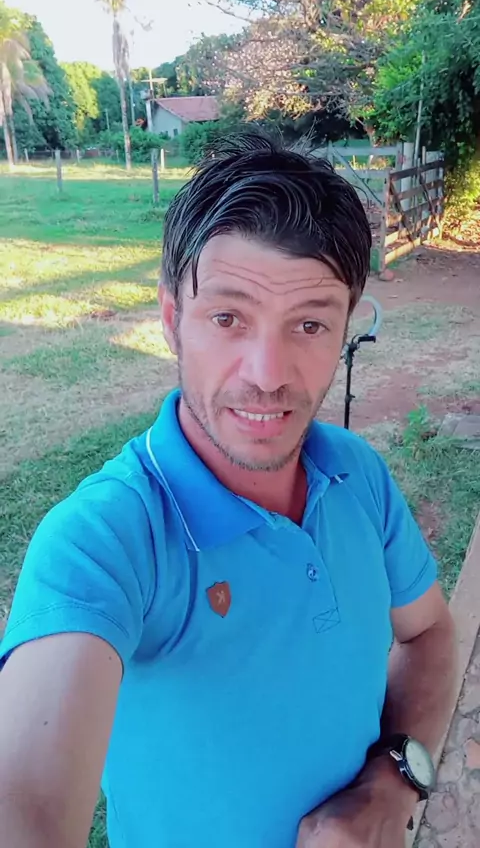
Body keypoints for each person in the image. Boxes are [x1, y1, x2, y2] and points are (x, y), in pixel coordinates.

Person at [0, 131, 456, 848]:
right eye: (227, 318)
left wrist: (390, 785)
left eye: (309, 324)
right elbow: (25, 802)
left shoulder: (356, 473)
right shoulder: (102, 539)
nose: (268, 373)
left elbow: (428, 632)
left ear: (346, 327)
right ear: (171, 321)